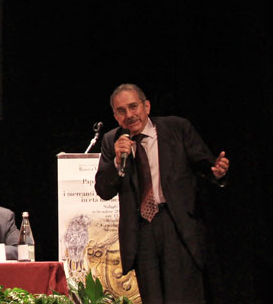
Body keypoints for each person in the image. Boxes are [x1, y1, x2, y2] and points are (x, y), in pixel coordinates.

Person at [95, 83, 229, 304]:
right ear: (115, 116)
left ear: (146, 106)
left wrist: (217, 172)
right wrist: (118, 162)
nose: (129, 115)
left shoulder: (177, 128)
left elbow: (206, 165)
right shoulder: (112, 141)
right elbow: (103, 190)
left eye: (133, 106)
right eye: (121, 111)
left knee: (183, 298)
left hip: (176, 226)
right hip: (141, 232)